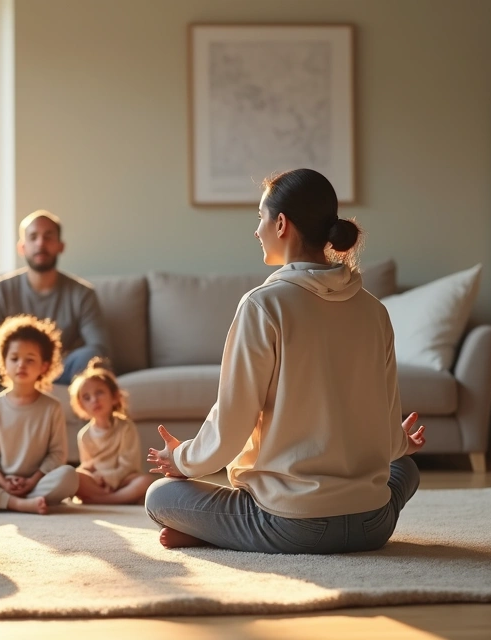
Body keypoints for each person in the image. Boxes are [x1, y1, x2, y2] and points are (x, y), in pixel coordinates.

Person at [145, 167, 427, 553]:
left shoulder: (263, 305)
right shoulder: (374, 310)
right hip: (372, 525)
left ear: (281, 224)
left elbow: (232, 422)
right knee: (405, 467)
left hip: (292, 525)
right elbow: (387, 423)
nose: (256, 230)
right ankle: (217, 531)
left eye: (260, 218)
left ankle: (214, 532)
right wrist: (400, 443)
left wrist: (182, 458)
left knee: (160, 497)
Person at [0, 210, 110, 461]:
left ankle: (98, 465)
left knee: (90, 358)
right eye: (33, 237)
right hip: (6, 369)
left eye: (48, 236)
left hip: (56, 369)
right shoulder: (2, 289)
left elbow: (99, 348)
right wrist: (19, 365)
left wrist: (43, 367)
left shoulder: (82, 294)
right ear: (22, 246)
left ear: (60, 246)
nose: (40, 243)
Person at [0, 314, 80, 514]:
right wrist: (2, 480)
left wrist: (32, 481)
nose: (21, 365)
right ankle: (20, 503)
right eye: (14, 358)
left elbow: (57, 454)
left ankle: (0, 502)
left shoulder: (52, 407)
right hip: (0, 481)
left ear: (44, 366)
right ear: (4, 362)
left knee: (69, 476)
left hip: (38, 482)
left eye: (30, 359)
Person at [69, 358, 153, 504]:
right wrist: (95, 478)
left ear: (114, 397)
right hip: (99, 483)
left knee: (146, 481)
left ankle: (106, 500)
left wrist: (109, 478)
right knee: (74, 475)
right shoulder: (84, 435)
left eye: (99, 393)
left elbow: (129, 465)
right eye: (86, 398)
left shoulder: (127, 427)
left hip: (124, 479)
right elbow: (87, 466)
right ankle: (116, 499)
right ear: (81, 406)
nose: (94, 400)